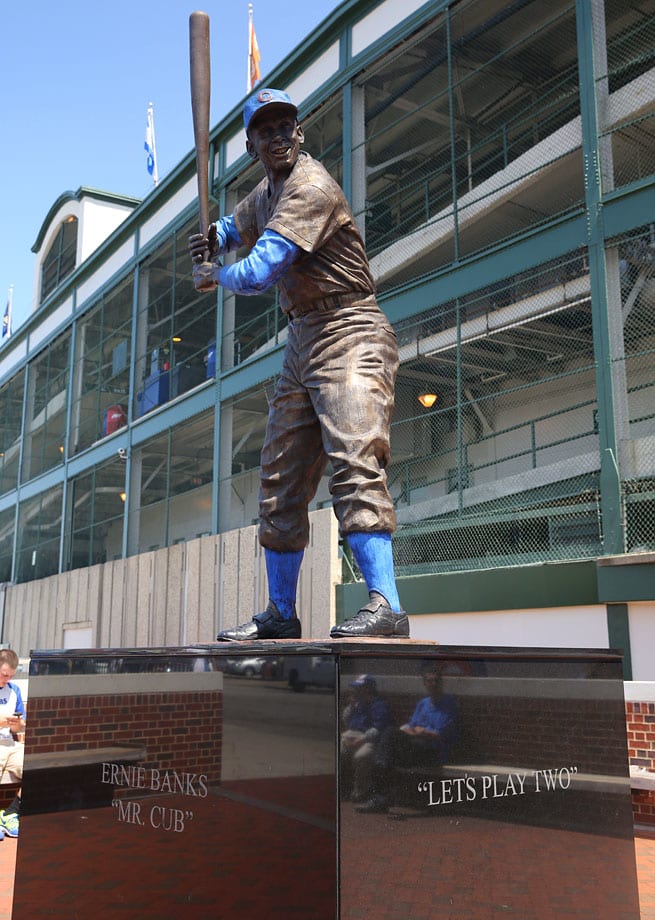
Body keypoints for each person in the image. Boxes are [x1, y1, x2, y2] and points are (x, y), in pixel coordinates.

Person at [190, 87, 408, 641]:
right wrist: (209, 240)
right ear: (252, 145)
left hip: (351, 328)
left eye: (286, 125)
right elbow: (233, 230)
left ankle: (387, 605)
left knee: (355, 460)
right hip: (303, 339)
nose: (279, 135)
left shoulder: (310, 185)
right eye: (267, 130)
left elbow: (262, 267)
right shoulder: (265, 193)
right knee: (280, 479)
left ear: (300, 132)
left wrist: (217, 274)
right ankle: (281, 614)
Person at [355, 660, 458, 814]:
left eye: (437, 681)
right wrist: (419, 731)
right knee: (389, 743)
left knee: (388, 741)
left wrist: (421, 732)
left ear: (441, 683)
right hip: (416, 746)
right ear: (424, 684)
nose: (433, 684)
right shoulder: (423, 704)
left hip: (434, 751)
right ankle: (380, 797)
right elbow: (410, 728)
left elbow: (439, 735)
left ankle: (378, 797)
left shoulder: (448, 704)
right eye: (430, 681)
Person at [340, 675, 392, 803]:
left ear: (367, 689)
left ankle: (360, 792)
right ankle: (340, 788)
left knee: (361, 757)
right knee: (337, 751)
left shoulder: (379, 705)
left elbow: (377, 729)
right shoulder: (359, 704)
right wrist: (351, 707)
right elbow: (347, 722)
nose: (356, 691)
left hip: (370, 740)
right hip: (351, 736)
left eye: (359, 688)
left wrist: (361, 740)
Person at [0, 648, 26, 838]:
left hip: (10, 743)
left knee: (36, 765)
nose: (6, 679)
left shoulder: (14, 690)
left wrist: (18, 724)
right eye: (3, 674)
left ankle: (9, 813)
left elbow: (19, 729)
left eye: (10, 676)